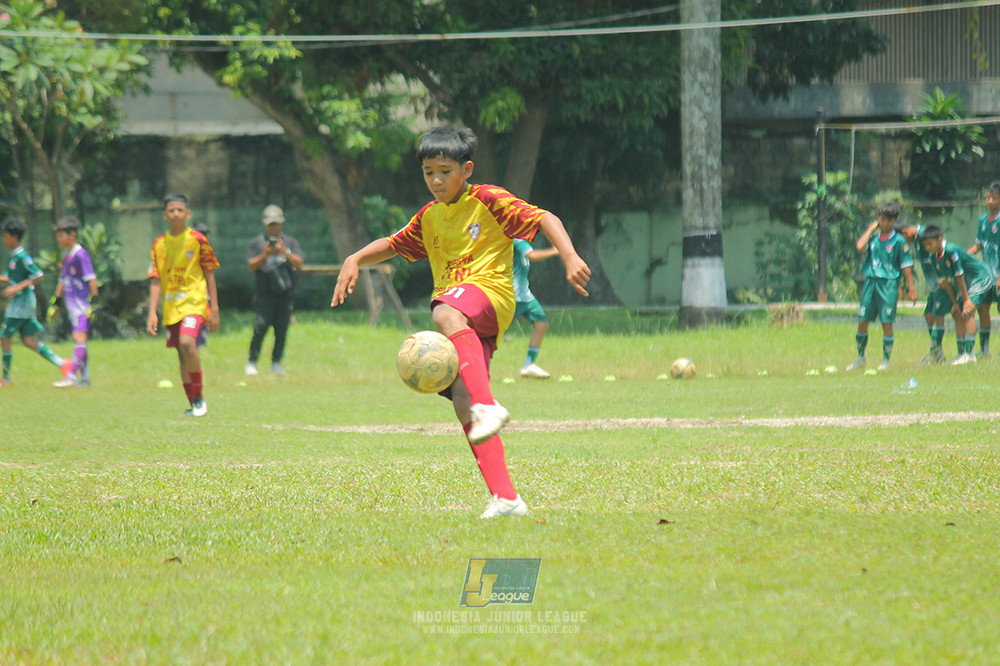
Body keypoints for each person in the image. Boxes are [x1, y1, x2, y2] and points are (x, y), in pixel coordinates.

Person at [331, 126, 591, 518]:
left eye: (445, 171)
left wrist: (570, 256)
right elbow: (394, 243)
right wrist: (354, 258)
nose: (436, 180)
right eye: (428, 172)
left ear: (466, 169)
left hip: (489, 296)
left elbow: (543, 217)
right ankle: (506, 497)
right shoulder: (430, 217)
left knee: (444, 311)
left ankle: (489, 404)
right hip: (467, 319)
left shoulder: (487, 199)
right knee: (463, 403)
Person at [146, 194, 220, 416]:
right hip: (171, 309)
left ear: (188, 214)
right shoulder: (159, 244)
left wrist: (214, 308)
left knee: (188, 343)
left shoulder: (197, 240)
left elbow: (210, 272)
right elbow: (156, 278)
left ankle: (199, 399)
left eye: (180, 210)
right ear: (164, 215)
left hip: (194, 304)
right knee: (181, 352)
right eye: (171, 210)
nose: (176, 214)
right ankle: (193, 404)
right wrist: (152, 312)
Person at [1, 218, 73, 385]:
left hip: (21, 305)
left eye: (5, 236)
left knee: (4, 337)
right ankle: (63, 363)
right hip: (19, 305)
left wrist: (18, 288)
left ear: (14, 237)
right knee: (27, 341)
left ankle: (5, 378)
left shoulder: (22, 256)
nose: (3, 240)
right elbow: (8, 278)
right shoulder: (14, 257)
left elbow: (38, 276)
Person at [846, 202, 916, 372]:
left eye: (888, 220)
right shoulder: (873, 238)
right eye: (881, 219)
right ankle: (860, 357)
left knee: (887, 322)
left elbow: (905, 266)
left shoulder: (899, 241)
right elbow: (859, 247)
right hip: (871, 282)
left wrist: (911, 288)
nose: (883, 223)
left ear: (894, 221)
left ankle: (885, 360)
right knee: (862, 321)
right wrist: (870, 229)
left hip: (888, 285)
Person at [920, 225, 993, 365]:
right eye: (925, 245)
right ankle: (961, 354)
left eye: (930, 244)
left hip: (979, 278)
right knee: (957, 313)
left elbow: (959, 276)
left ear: (940, 239)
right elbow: (947, 283)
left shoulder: (951, 250)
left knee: (968, 311)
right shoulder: (934, 256)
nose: (928, 247)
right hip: (967, 282)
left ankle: (969, 354)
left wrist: (966, 300)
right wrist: (954, 304)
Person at [245, 204, 303, 376]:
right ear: (264, 224)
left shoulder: (290, 242)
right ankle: (252, 362)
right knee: (260, 327)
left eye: (276, 223)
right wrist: (266, 254)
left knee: (281, 329)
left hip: (285, 294)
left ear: (282, 223)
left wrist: (284, 251)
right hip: (264, 294)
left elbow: (299, 263)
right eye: (270, 223)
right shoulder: (256, 243)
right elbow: (251, 265)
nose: (273, 227)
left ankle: (276, 362)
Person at [898, 222, 955, 364]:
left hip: (941, 282)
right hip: (934, 284)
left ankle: (937, 353)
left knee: (938, 315)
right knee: (928, 314)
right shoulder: (917, 239)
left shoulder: (924, 235)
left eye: (902, 239)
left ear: (905, 232)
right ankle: (937, 351)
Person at [51, 216, 98, 387]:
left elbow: (91, 278)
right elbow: (63, 280)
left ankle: (71, 377)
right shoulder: (67, 256)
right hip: (72, 306)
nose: (59, 239)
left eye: (62, 235)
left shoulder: (80, 254)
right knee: (79, 339)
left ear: (72, 235)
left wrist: (94, 303)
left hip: (82, 306)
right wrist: (55, 302)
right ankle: (85, 379)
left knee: (79, 337)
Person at [512, 238, 560, 378]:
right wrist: (553, 251)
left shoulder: (520, 241)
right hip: (513, 296)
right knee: (493, 333)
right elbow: (532, 256)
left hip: (524, 295)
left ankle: (529, 365)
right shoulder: (518, 241)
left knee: (541, 323)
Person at [965, 181, 1000, 357]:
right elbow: (979, 245)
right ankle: (984, 349)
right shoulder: (983, 220)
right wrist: (963, 255)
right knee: (983, 309)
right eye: (988, 197)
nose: (989, 201)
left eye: (994, 197)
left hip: (998, 274)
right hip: (986, 276)